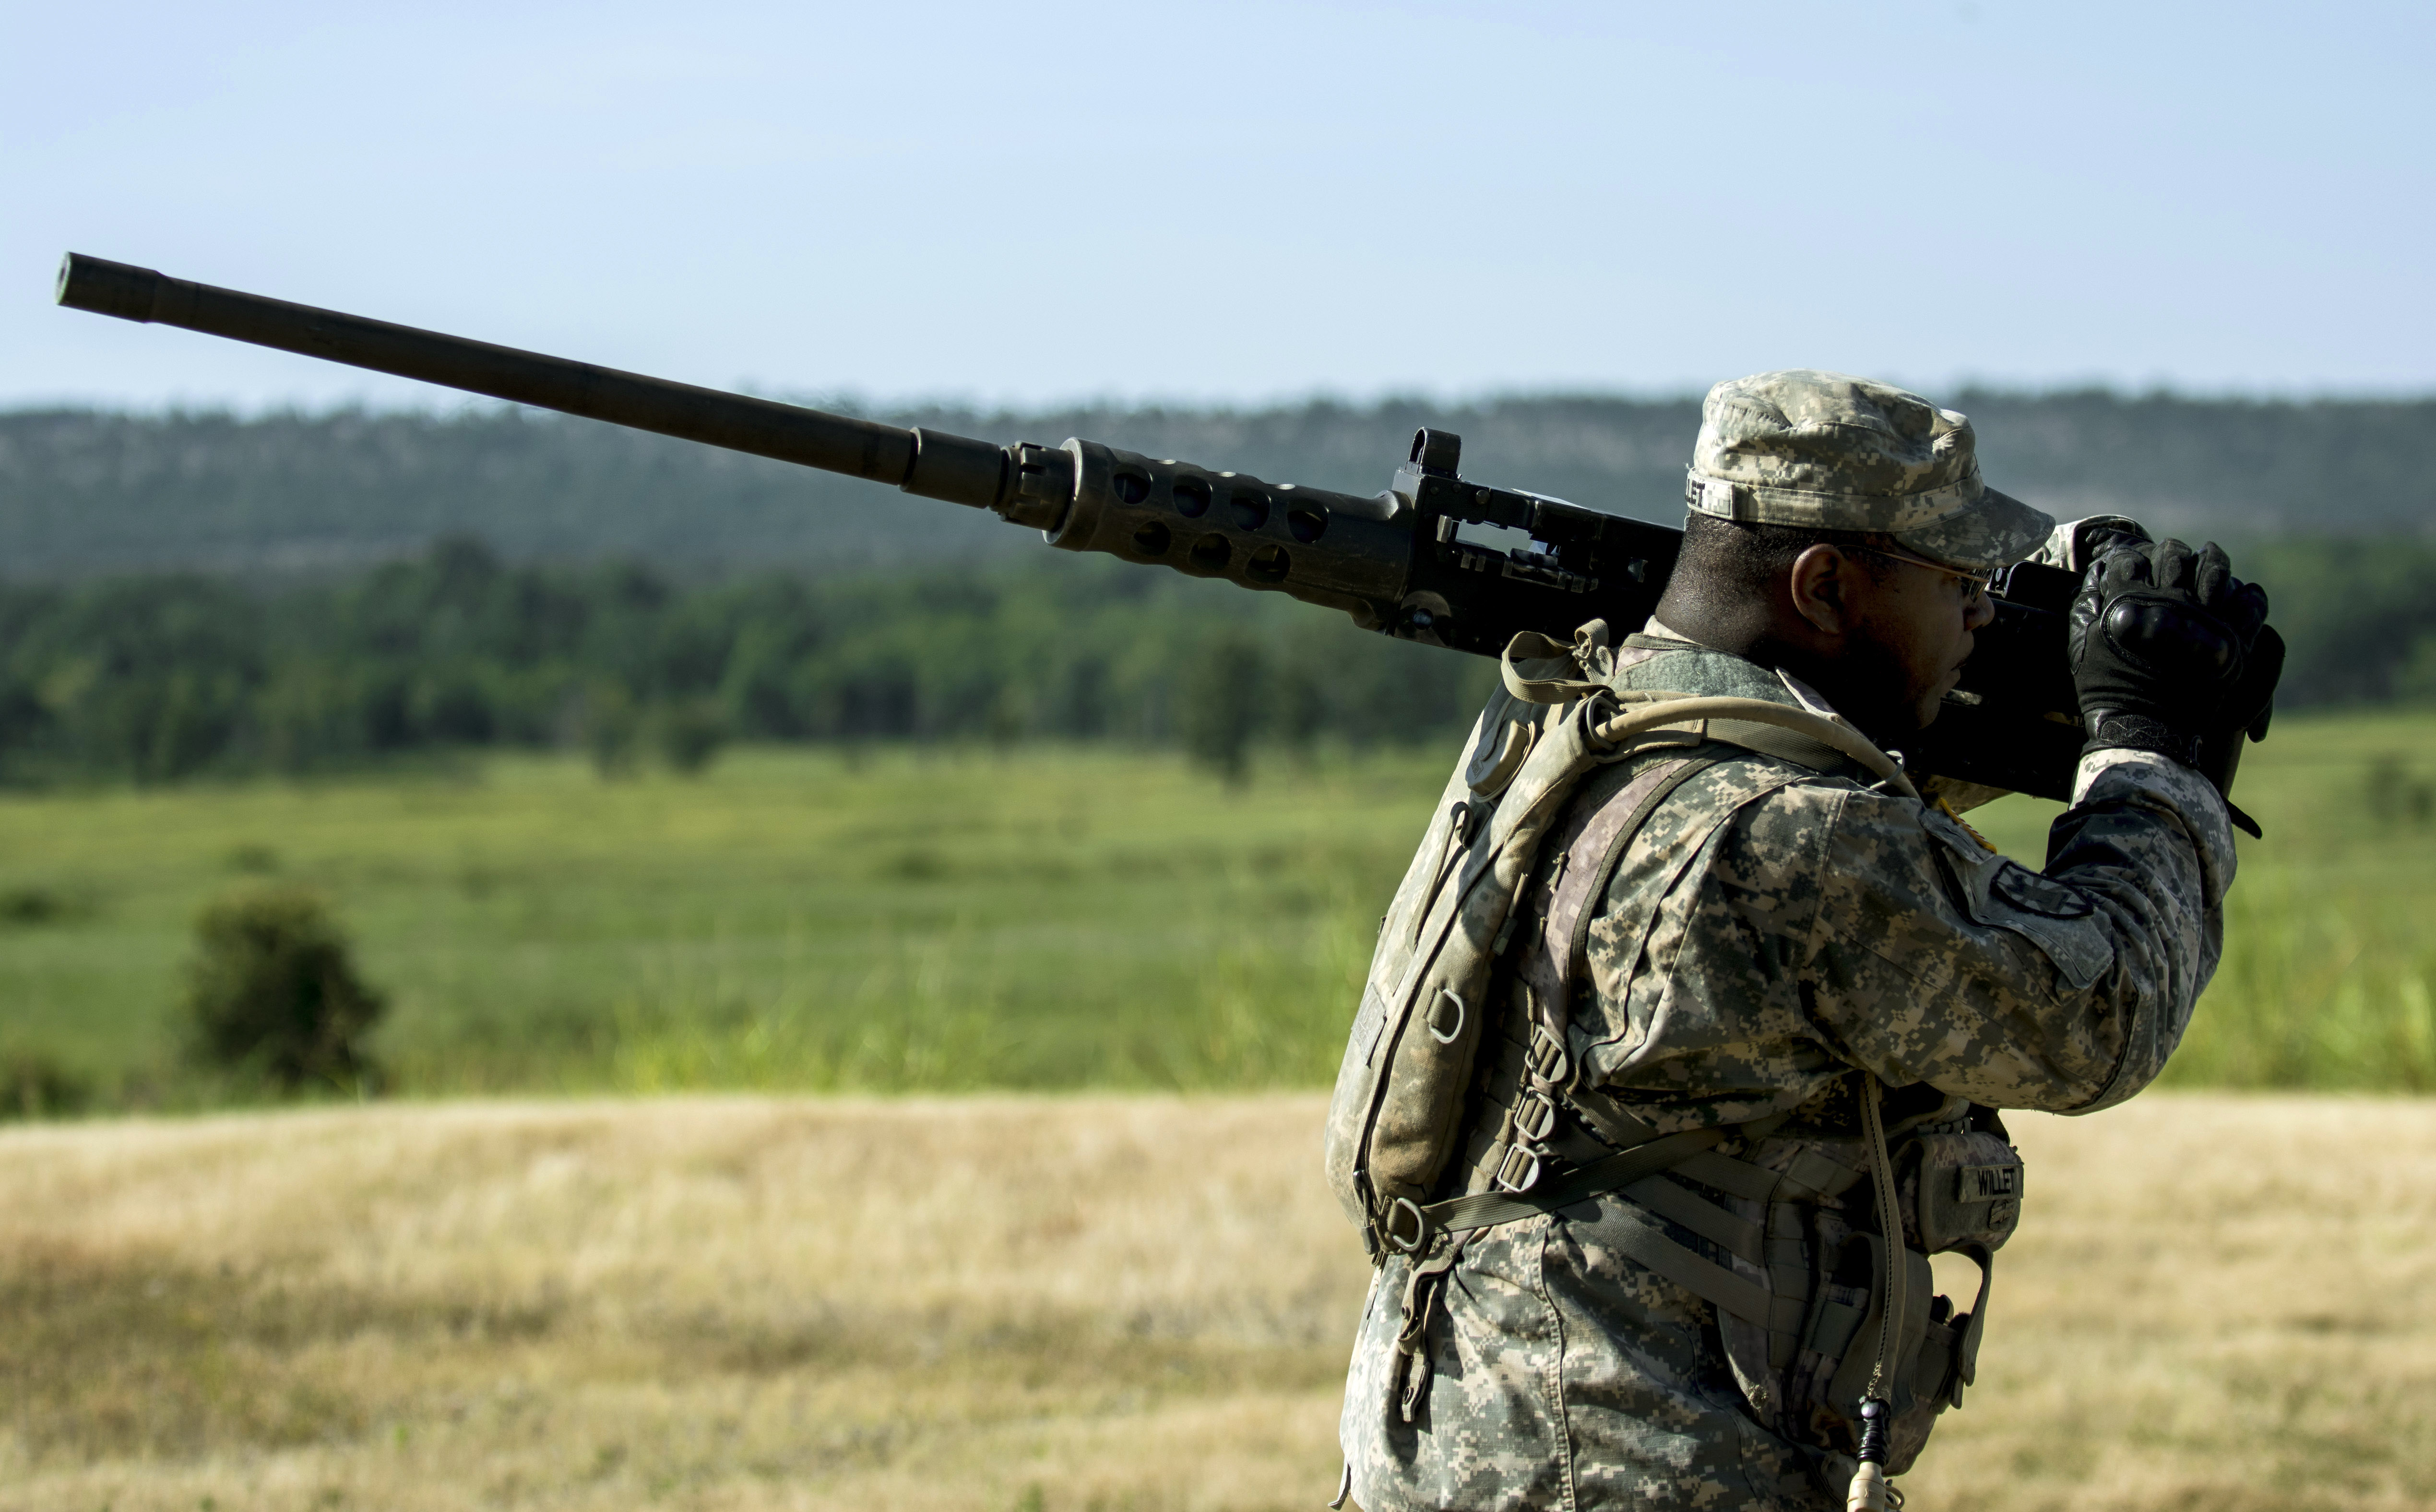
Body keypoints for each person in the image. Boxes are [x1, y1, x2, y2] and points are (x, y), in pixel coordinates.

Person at [1330, 369, 2270, 1511]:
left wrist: (2049, 614)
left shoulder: (1585, 723)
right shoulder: (1796, 840)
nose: (1978, 611)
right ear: (1823, 587)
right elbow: (2096, 1012)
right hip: (1628, 1463)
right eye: (1958, 582)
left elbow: (1871, 798)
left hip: (1480, 1428)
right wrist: (2150, 758)